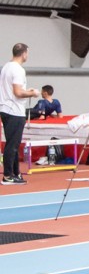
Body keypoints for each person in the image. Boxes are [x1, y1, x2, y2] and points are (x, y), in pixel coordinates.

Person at [1, 43, 40, 185]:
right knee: (12, 144)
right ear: (23, 53)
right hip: (14, 111)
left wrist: (26, 90)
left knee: (14, 144)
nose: (27, 56)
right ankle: (7, 175)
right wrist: (32, 93)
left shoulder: (6, 66)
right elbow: (17, 92)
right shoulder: (18, 70)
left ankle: (15, 173)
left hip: (6, 109)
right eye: (27, 53)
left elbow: (14, 89)